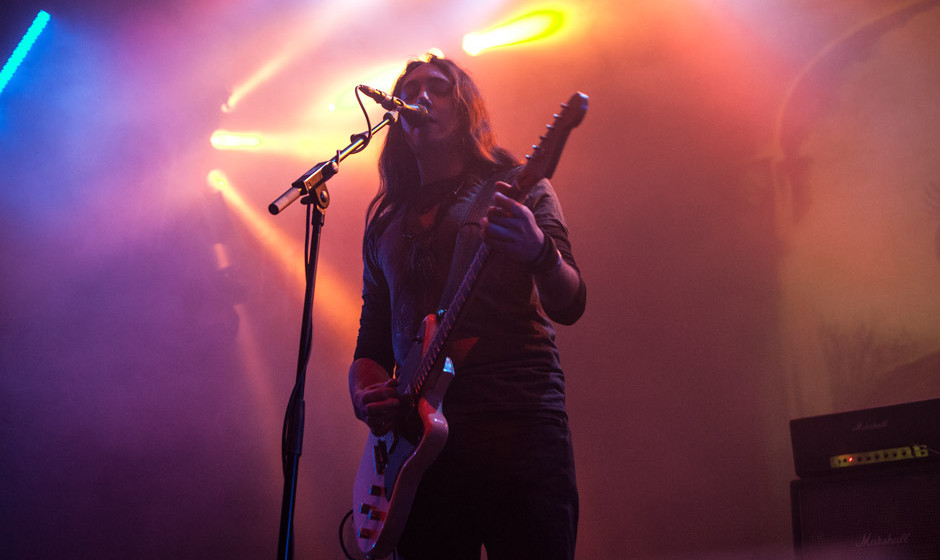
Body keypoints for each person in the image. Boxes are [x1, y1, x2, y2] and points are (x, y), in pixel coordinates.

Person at [348, 53, 586, 560]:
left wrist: (539, 251)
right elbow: (372, 340)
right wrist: (366, 395)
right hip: (419, 452)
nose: (421, 97)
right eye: (411, 89)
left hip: (517, 423)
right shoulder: (385, 222)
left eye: (438, 87)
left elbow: (570, 302)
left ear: (464, 108)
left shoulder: (517, 186)